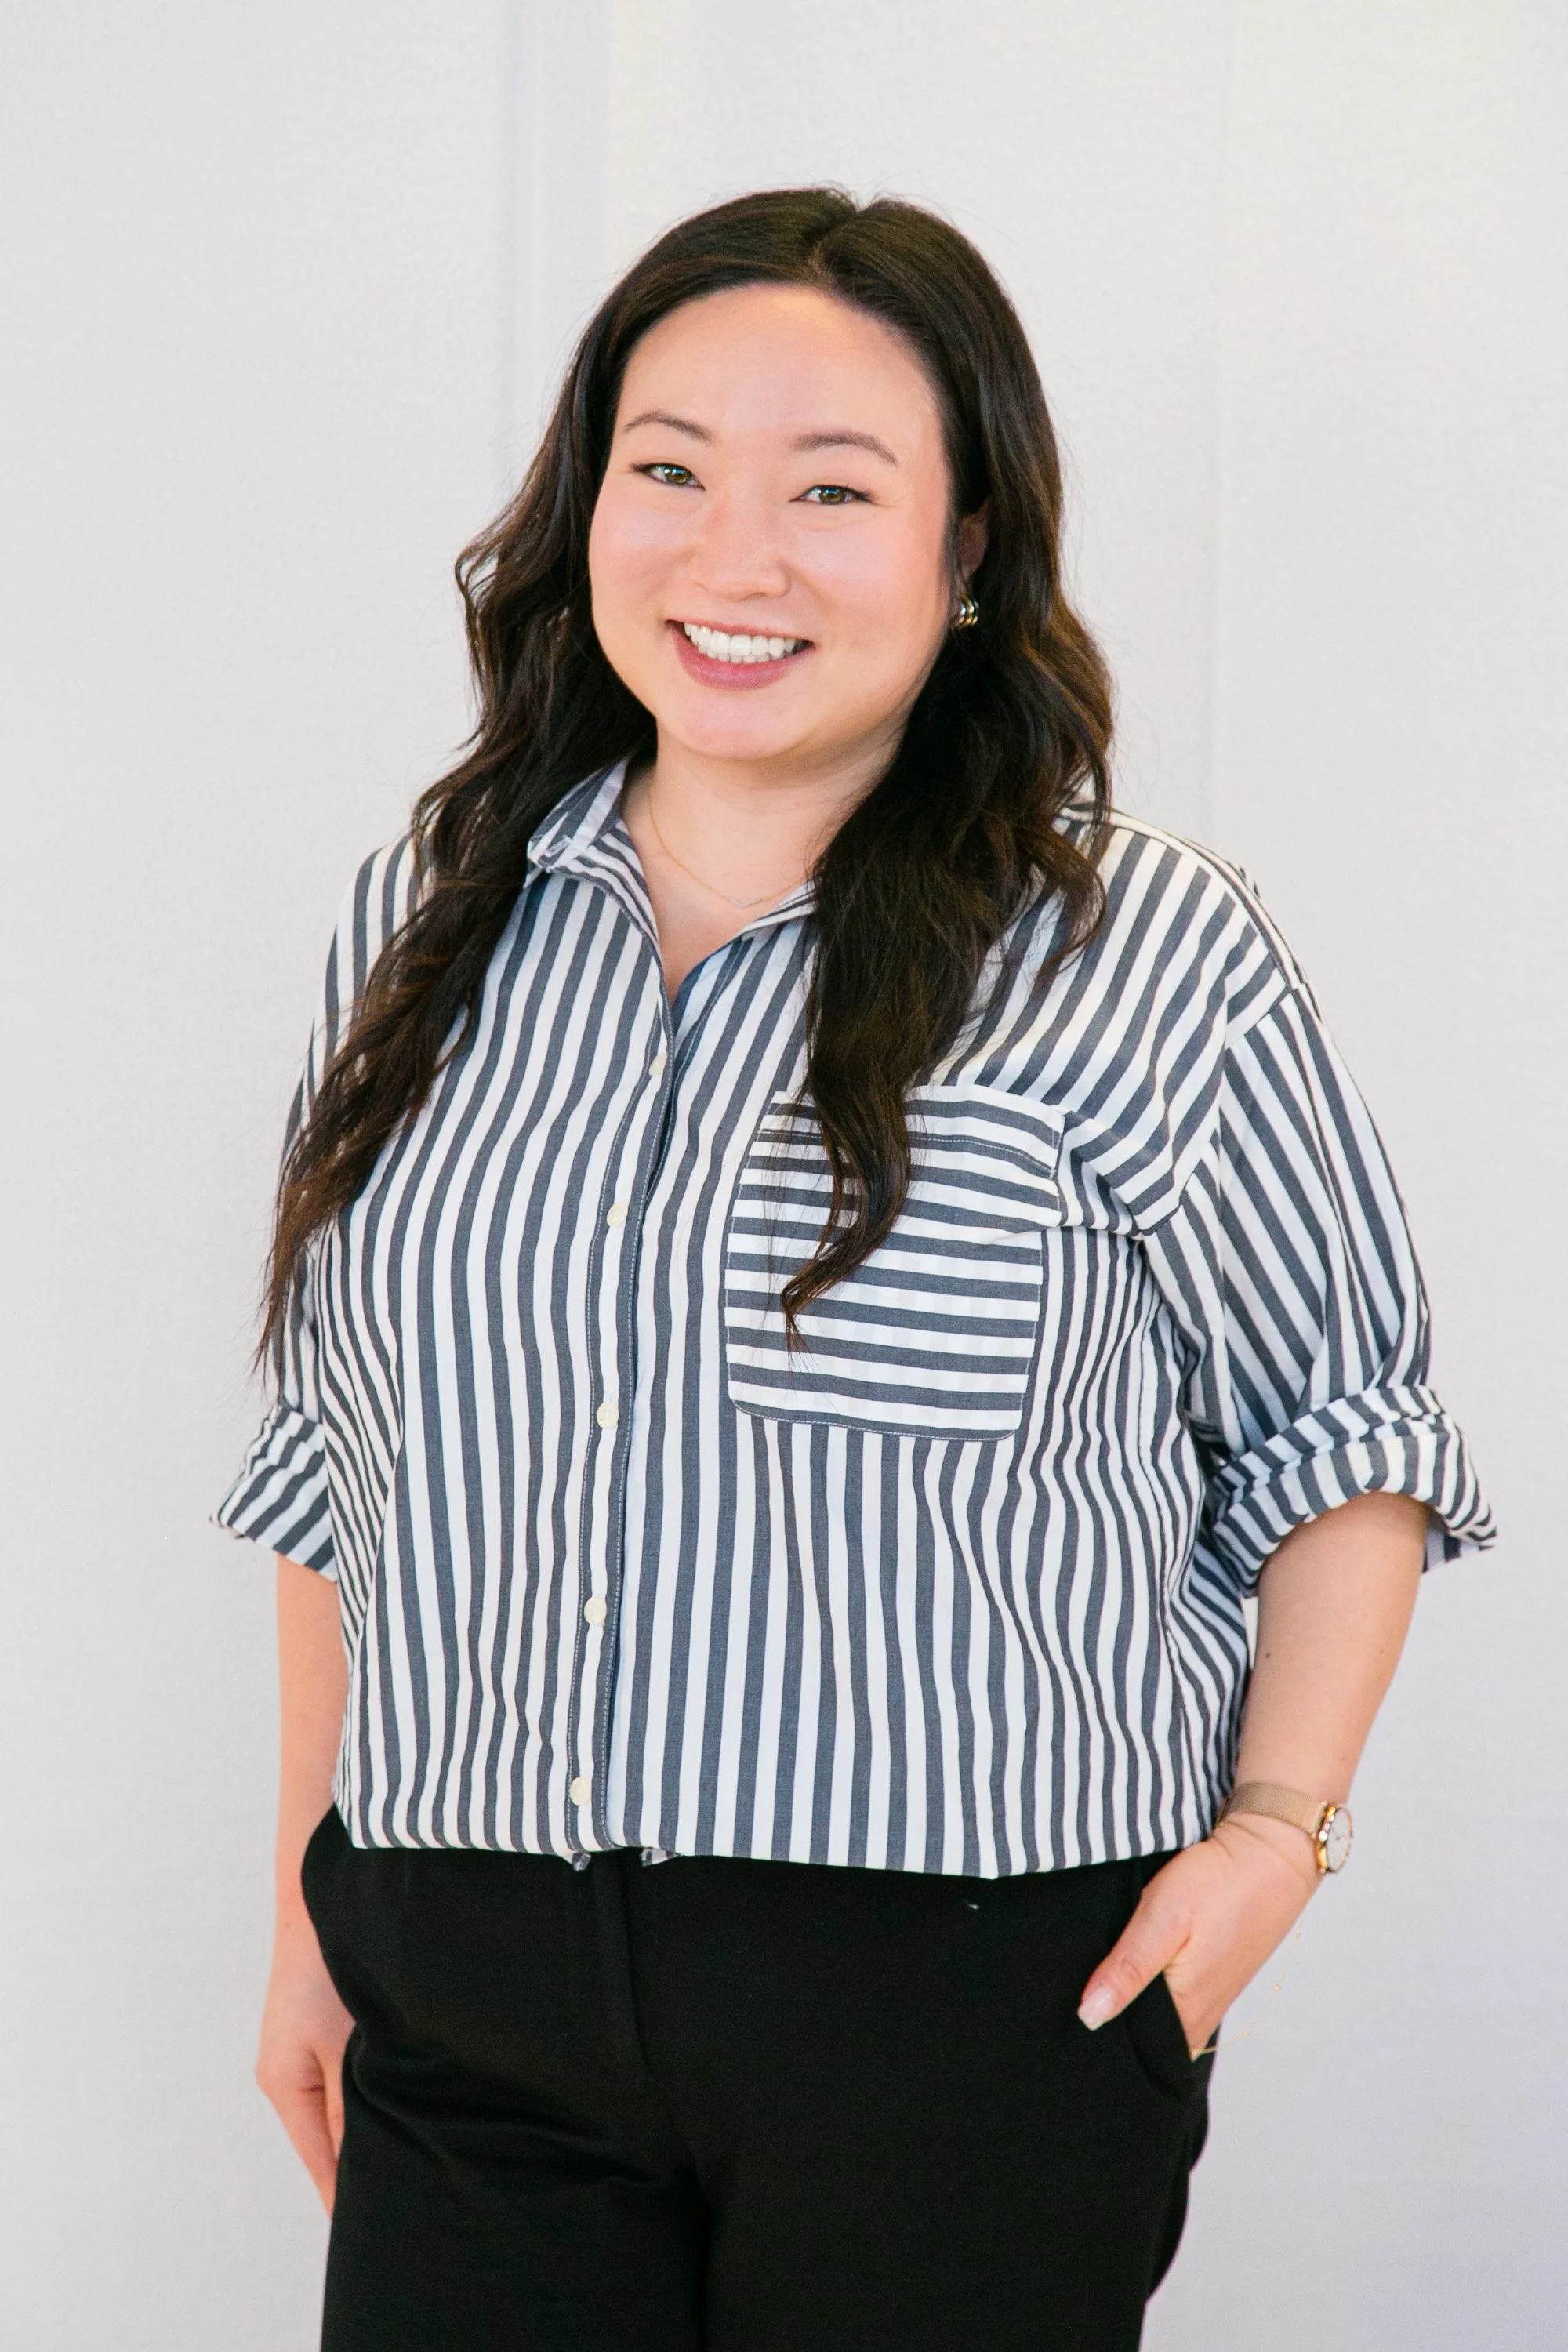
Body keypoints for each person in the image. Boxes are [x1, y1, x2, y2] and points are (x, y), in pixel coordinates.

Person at [217, 188, 1493, 2351]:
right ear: (583, 507)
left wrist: (1273, 1838)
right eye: (670, 471)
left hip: (962, 2015)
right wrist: (308, 1913)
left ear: (967, 547)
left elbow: (1341, 1426)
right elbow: (344, 1469)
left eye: (834, 489)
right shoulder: (428, 926)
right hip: (473, 1994)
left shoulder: (1133, 949)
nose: (738, 558)